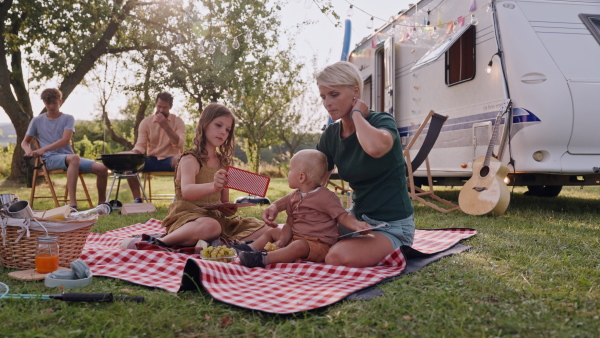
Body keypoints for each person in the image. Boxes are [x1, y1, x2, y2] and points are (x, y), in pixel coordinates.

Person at [262, 61, 415, 268]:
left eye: (334, 95)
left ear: (355, 92)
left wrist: (357, 114)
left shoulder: (382, 122)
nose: (327, 103)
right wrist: (276, 205)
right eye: (323, 97)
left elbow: (375, 148)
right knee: (298, 238)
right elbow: (311, 185)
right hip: (356, 222)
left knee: (335, 256)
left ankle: (363, 245)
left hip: (391, 226)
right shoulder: (331, 135)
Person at [122, 103, 267, 249]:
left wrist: (229, 209)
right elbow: (187, 192)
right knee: (211, 227)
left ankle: (214, 243)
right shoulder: (190, 159)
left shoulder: (223, 162)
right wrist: (214, 185)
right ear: (204, 124)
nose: (223, 132)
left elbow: (223, 200)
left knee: (265, 228)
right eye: (218, 125)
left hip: (216, 219)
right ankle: (157, 243)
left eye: (227, 129)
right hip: (187, 218)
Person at [233, 149, 371, 268]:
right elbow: (289, 223)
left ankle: (262, 259)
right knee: (273, 232)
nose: (287, 173)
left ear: (301, 177)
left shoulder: (325, 197)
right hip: (295, 237)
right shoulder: (294, 196)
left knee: (298, 246)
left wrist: (356, 225)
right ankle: (249, 249)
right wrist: (282, 240)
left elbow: (343, 216)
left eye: (290, 170)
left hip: (319, 245)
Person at [21, 88, 109, 209]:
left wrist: (43, 149)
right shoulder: (36, 121)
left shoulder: (68, 118)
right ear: (44, 103)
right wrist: (28, 151)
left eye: (54, 103)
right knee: (74, 158)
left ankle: (102, 205)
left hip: (70, 158)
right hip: (49, 160)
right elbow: (25, 142)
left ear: (60, 101)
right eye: (48, 104)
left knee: (103, 169)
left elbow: (65, 140)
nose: (51, 106)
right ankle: (72, 205)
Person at [125, 91, 186, 202]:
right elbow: (140, 146)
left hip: (170, 159)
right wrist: (133, 154)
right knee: (130, 164)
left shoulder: (178, 121)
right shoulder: (146, 122)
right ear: (156, 105)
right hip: (151, 159)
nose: (161, 110)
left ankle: (178, 198)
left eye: (165, 107)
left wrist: (166, 127)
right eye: (159, 106)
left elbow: (180, 144)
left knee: (182, 160)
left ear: (170, 107)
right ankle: (137, 200)